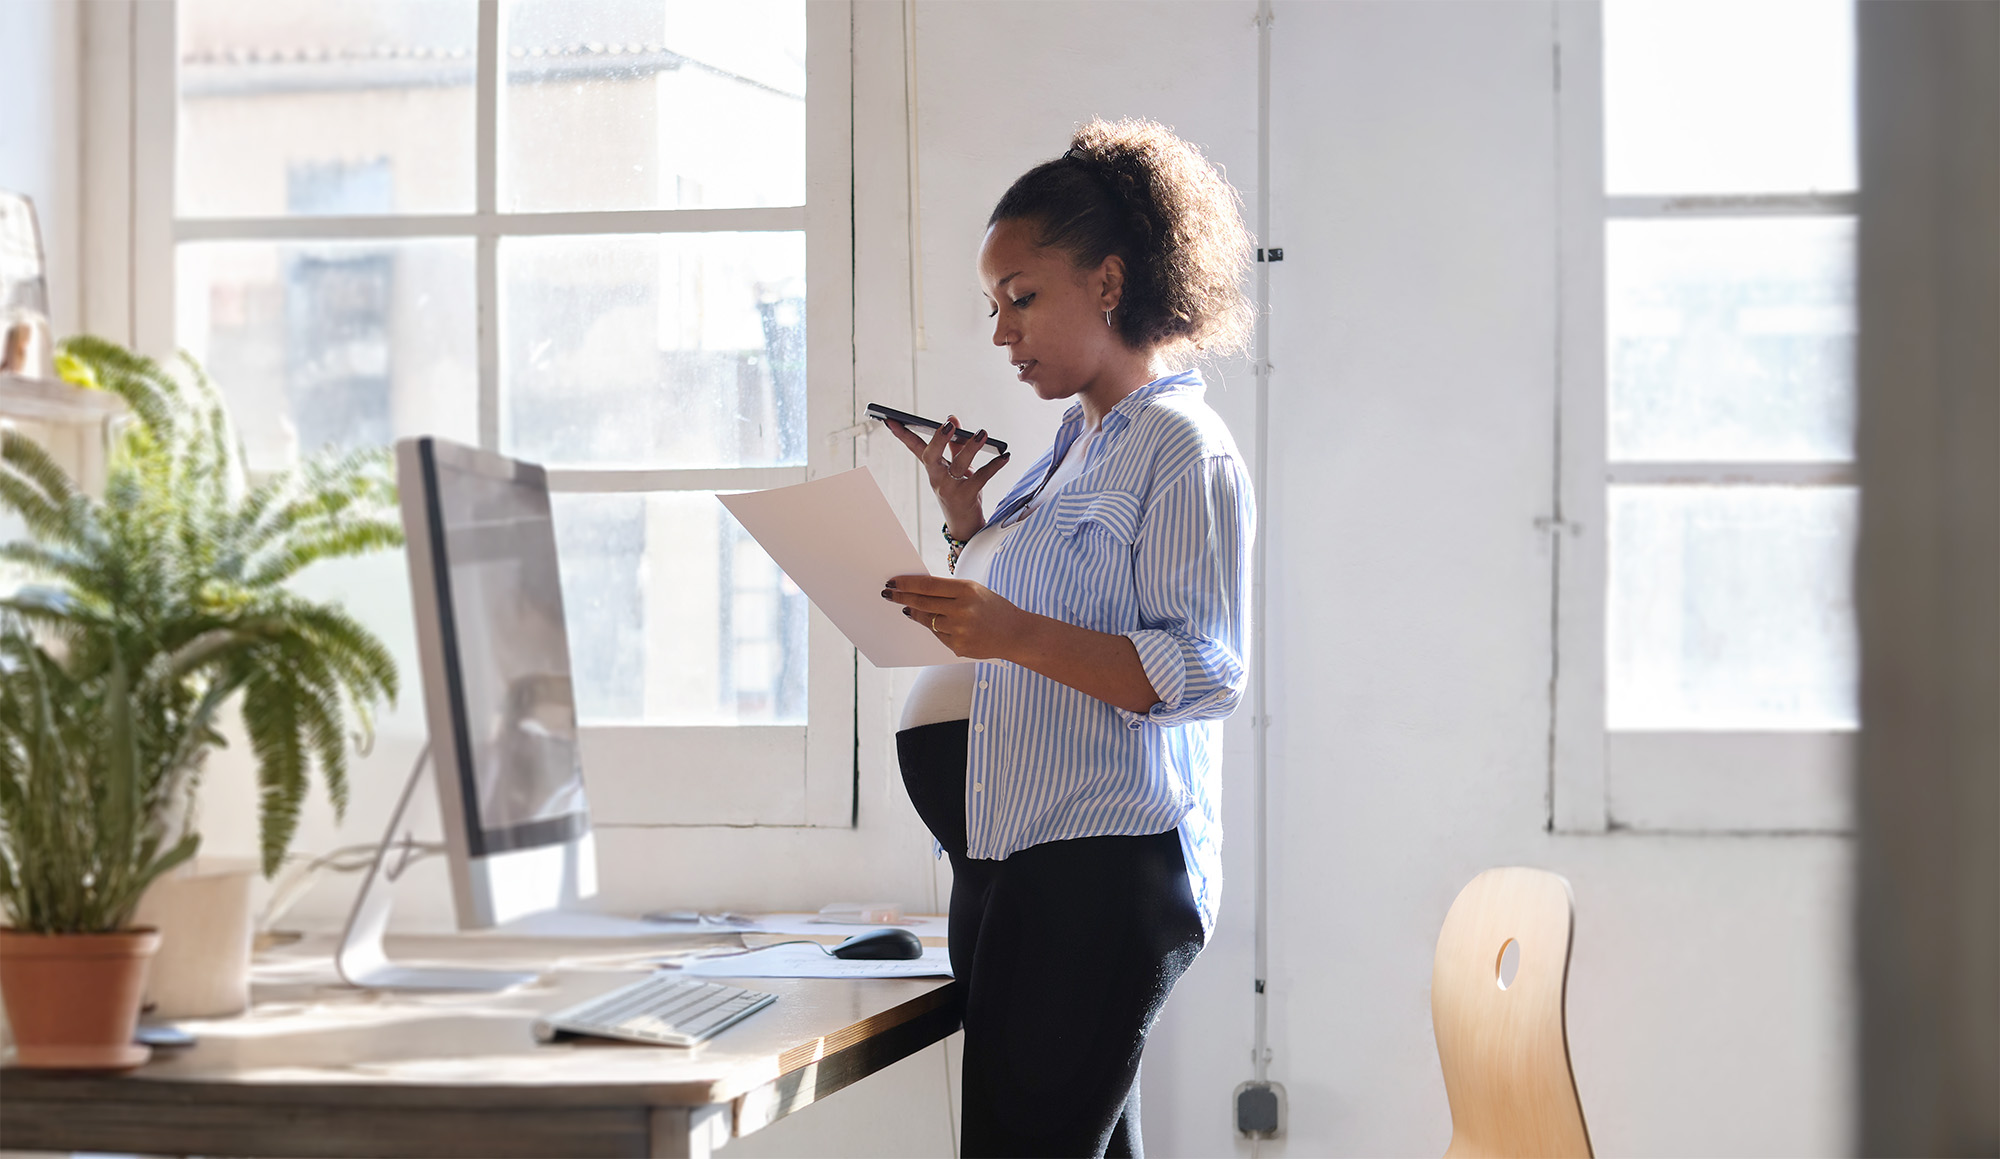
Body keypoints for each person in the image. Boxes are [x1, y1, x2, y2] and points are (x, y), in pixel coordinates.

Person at [880, 117, 1255, 1158]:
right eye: (993, 305)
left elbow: (1202, 669)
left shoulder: (1180, 448)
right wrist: (968, 526)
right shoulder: (1073, 447)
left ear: (1107, 280)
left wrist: (1006, 626)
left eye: (1021, 296)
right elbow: (1030, 628)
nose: (1002, 331)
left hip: (1100, 870)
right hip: (1011, 861)